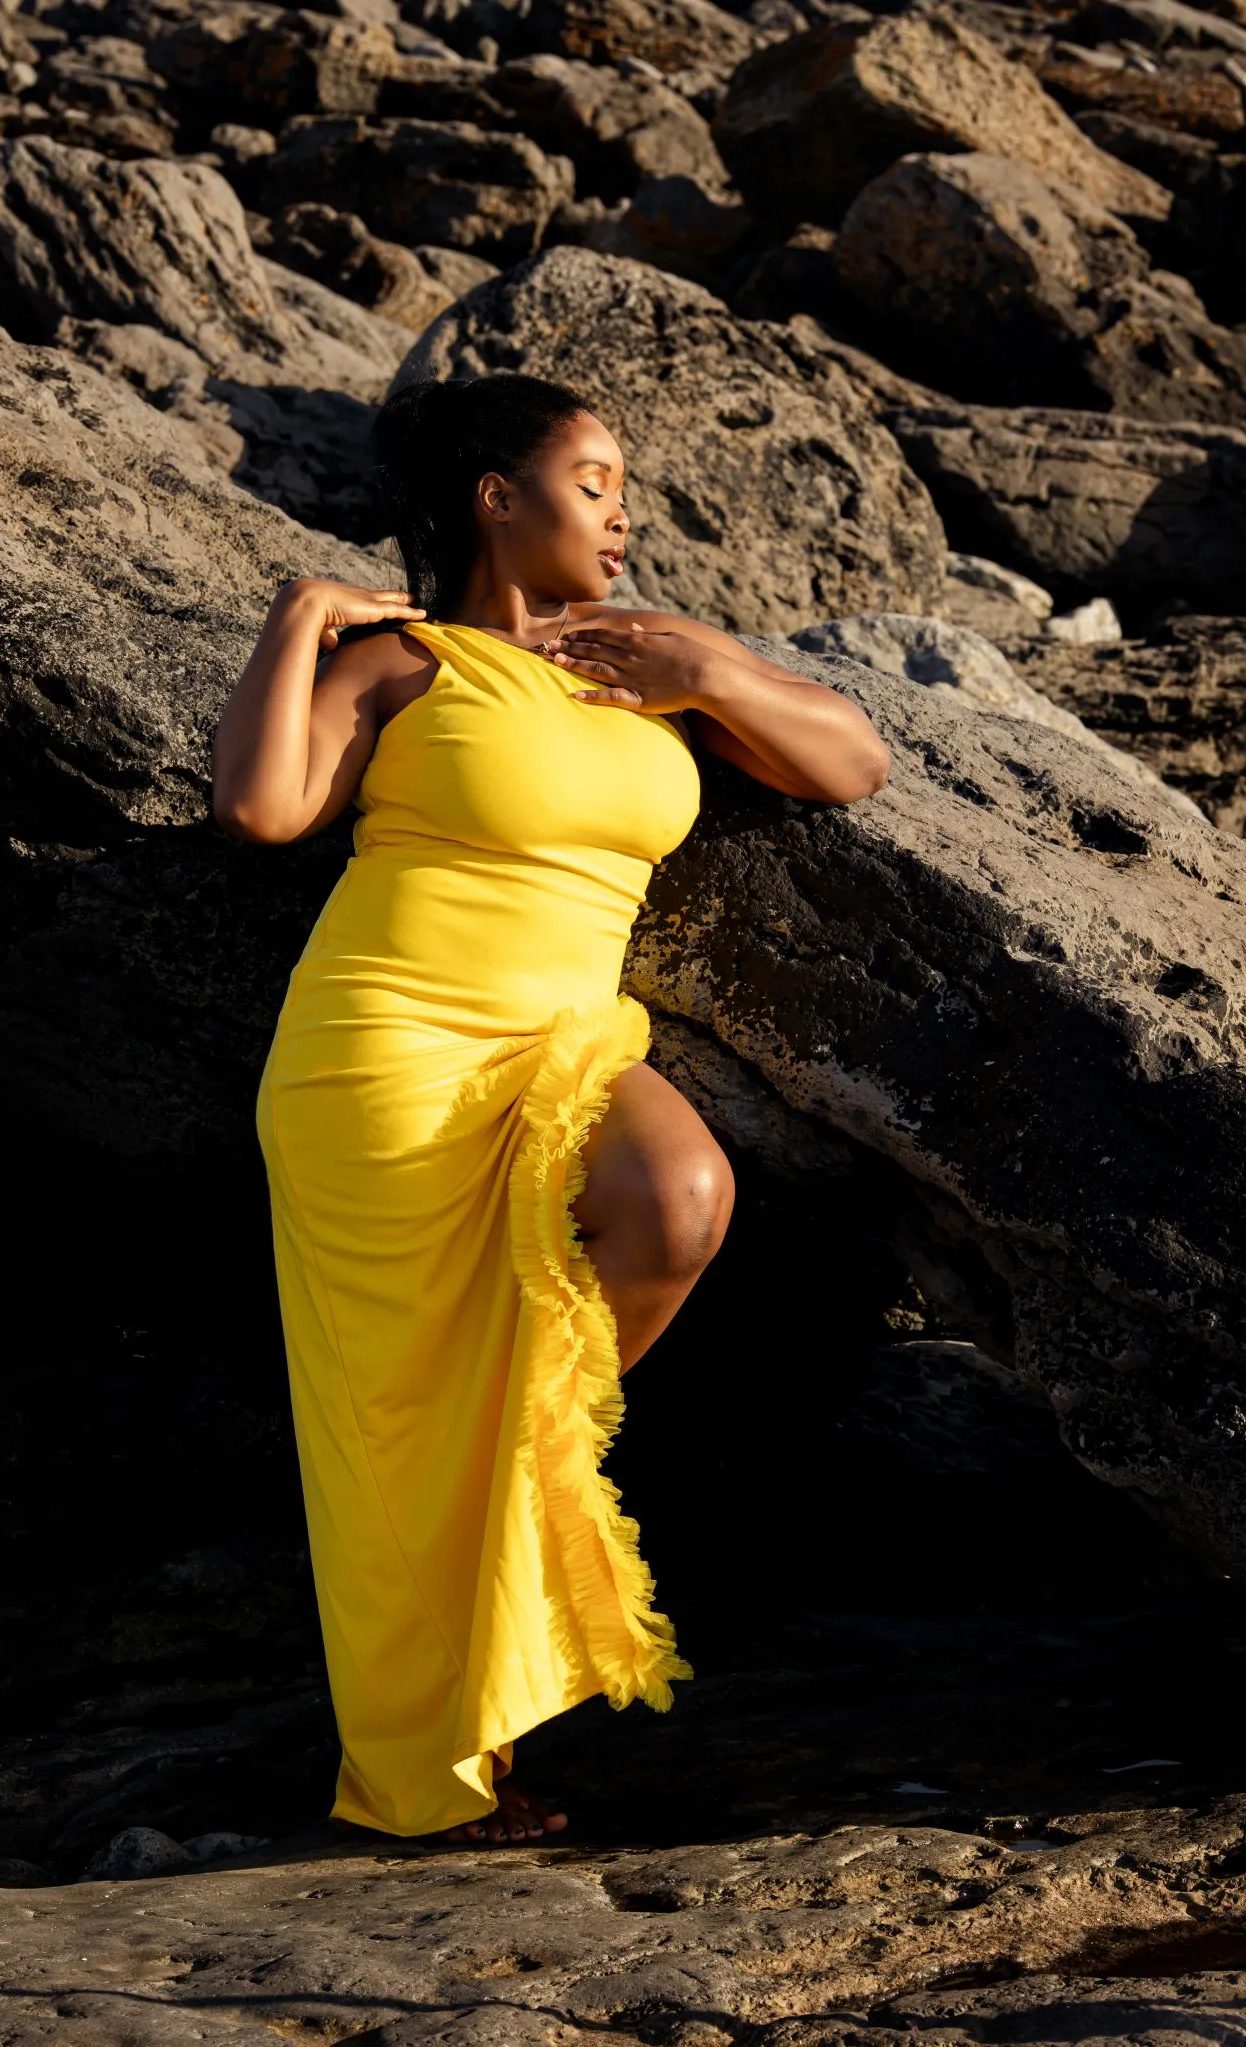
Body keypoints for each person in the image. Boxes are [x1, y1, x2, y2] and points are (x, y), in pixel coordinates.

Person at [211, 372, 891, 1847]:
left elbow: (853, 760)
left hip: (562, 1031)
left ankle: (528, 1498)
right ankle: (440, 1778)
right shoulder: (403, 661)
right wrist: (295, 616)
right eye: (593, 481)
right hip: (381, 1054)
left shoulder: (646, 672)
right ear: (492, 498)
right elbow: (263, 810)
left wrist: (708, 662)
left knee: (677, 1203)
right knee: (394, 1427)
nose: (622, 512)